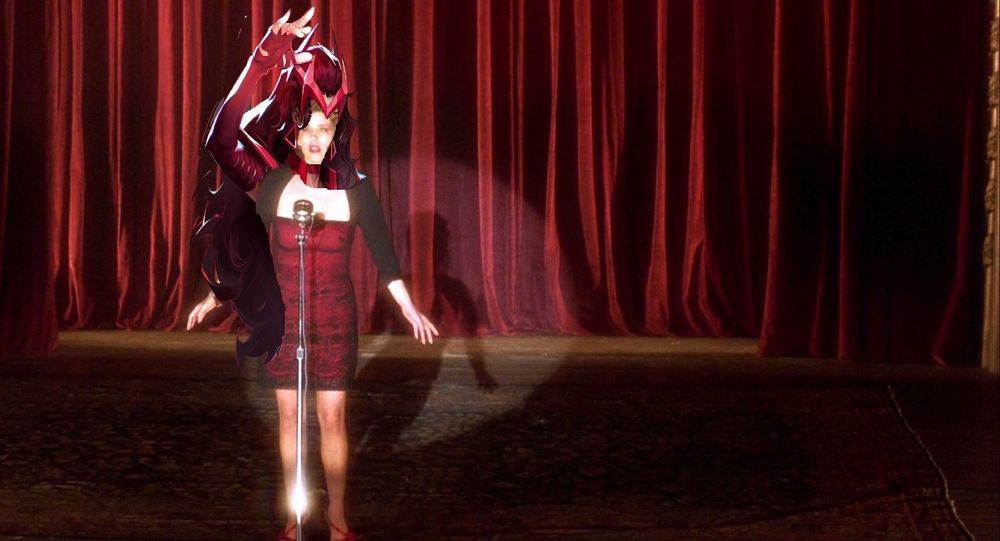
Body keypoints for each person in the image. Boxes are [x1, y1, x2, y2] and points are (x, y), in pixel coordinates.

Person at [186, 8, 438, 541]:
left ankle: (338, 518)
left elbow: (385, 258)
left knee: (332, 419)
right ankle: (292, 518)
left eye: (326, 128)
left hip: (334, 320)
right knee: (287, 421)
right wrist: (262, 59)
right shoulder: (274, 185)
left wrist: (408, 306)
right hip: (282, 322)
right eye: (308, 129)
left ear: (336, 129)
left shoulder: (357, 190)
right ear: (295, 134)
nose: (317, 138)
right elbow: (221, 142)